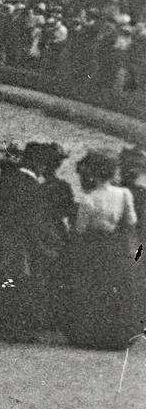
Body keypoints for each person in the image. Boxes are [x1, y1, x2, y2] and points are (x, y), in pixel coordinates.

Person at [62, 149, 140, 350]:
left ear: (93, 174)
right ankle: (118, 334)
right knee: (118, 288)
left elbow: (80, 229)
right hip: (117, 247)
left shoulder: (88, 199)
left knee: (94, 289)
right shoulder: (124, 194)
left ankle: (93, 334)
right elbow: (131, 221)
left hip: (94, 247)